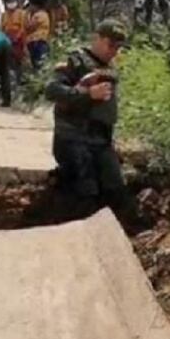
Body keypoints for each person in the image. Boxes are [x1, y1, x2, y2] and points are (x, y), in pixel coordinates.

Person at [44, 19, 134, 225]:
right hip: (73, 139)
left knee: (116, 189)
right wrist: (87, 93)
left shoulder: (109, 68)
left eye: (118, 47)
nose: (114, 52)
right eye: (111, 45)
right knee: (86, 192)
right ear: (97, 39)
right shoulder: (75, 61)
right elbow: (52, 90)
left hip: (100, 142)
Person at [0, 0, 28, 70]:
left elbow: (23, 27)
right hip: (7, 41)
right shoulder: (4, 15)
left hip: (19, 41)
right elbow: (2, 29)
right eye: (9, 1)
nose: (11, 3)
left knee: (19, 61)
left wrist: (17, 37)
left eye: (12, 1)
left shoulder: (21, 13)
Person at [25, 0, 52, 70]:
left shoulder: (39, 15)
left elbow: (28, 27)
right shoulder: (40, 14)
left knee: (40, 65)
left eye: (30, 5)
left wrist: (27, 14)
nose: (29, 7)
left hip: (38, 42)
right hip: (36, 43)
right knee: (37, 65)